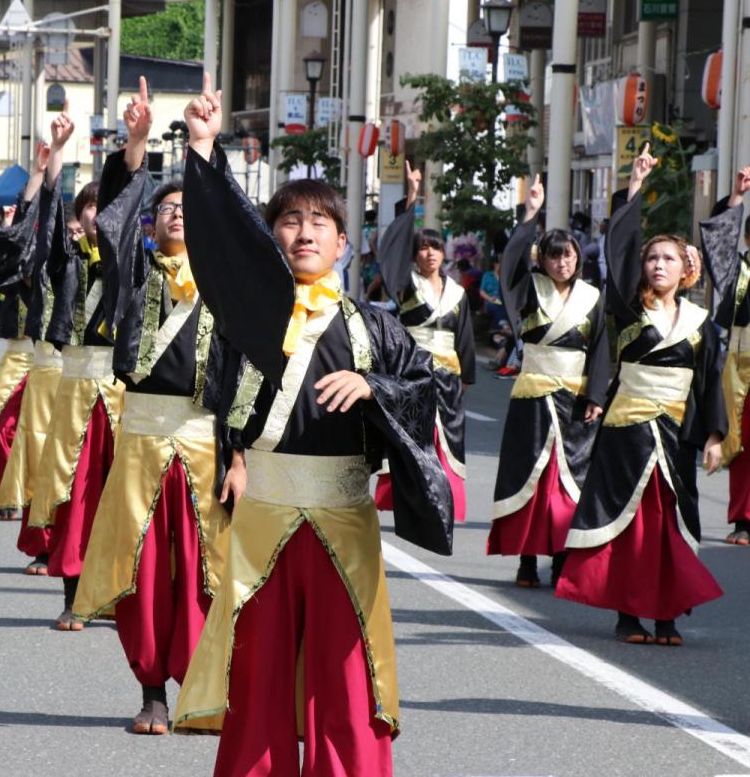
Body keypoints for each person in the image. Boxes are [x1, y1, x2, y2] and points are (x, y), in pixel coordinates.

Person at [171, 73, 452, 777]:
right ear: (272, 238)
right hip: (264, 510)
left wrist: (376, 386)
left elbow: (434, 391)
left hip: (342, 516)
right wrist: (203, 150)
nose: (303, 233)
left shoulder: (374, 326)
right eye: (288, 222)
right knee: (259, 671)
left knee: (344, 673)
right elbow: (221, 249)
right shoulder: (249, 311)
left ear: (341, 241)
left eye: (317, 223)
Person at [73, 77, 231, 736]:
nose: (176, 213)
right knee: (144, 576)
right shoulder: (133, 274)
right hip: (142, 442)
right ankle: (152, 693)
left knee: (203, 575)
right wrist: (136, 149)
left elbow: (232, 219)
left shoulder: (224, 278)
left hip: (203, 442)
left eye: (186, 207)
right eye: (166, 207)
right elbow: (112, 218)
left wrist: (204, 144)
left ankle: (203, 687)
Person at [555, 144, 725, 646]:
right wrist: (634, 189)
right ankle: (628, 615)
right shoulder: (628, 310)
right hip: (627, 431)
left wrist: (715, 435)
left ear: (685, 270)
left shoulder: (700, 323)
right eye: (652, 257)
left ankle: (667, 617)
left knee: (668, 527)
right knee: (629, 525)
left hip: (676, 437)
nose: (657, 264)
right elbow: (621, 249)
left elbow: (710, 382)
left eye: (668, 258)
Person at [486, 175, 609, 588]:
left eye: (569, 256)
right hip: (533, 397)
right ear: (544, 260)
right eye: (554, 257)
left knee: (568, 482)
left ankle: (560, 559)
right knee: (532, 480)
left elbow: (602, 349)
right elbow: (513, 257)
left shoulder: (592, 297)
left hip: (575, 399)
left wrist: (596, 395)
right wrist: (531, 213)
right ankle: (525, 559)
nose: (562, 263)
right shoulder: (527, 289)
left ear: (579, 258)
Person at [27, 102, 122, 632]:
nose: (95, 214)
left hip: (128, 398)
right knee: (73, 490)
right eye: (88, 207)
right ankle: (72, 594)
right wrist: (57, 158)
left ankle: (113, 591)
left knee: (123, 500)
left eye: (105, 208)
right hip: (76, 385)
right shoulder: (67, 260)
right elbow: (46, 228)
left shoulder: (140, 265)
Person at [372, 162, 475, 522]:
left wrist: (466, 380)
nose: (430, 253)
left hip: (447, 377)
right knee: (412, 436)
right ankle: (407, 499)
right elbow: (392, 253)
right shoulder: (405, 284)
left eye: (436, 247)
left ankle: (442, 501)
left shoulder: (458, 292)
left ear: (445, 253)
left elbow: (464, 338)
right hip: (414, 370)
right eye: (423, 248)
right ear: (415, 254)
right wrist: (411, 199)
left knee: (446, 440)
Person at [0, 153, 60, 503]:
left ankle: (34, 497)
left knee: (48, 435)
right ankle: (9, 491)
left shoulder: (64, 260)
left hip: (60, 360)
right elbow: (23, 222)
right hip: (21, 353)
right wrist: (36, 174)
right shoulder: (17, 257)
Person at [0, 142, 62, 575]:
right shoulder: (25, 262)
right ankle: (12, 499)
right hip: (27, 357)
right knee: (3, 429)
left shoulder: (85, 263)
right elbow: (23, 230)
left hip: (86, 378)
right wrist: (38, 174)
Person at [699, 166, 750, 545]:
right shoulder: (739, 271)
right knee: (744, 445)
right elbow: (718, 244)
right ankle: (745, 521)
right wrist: (736, 198)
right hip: (742, 369)